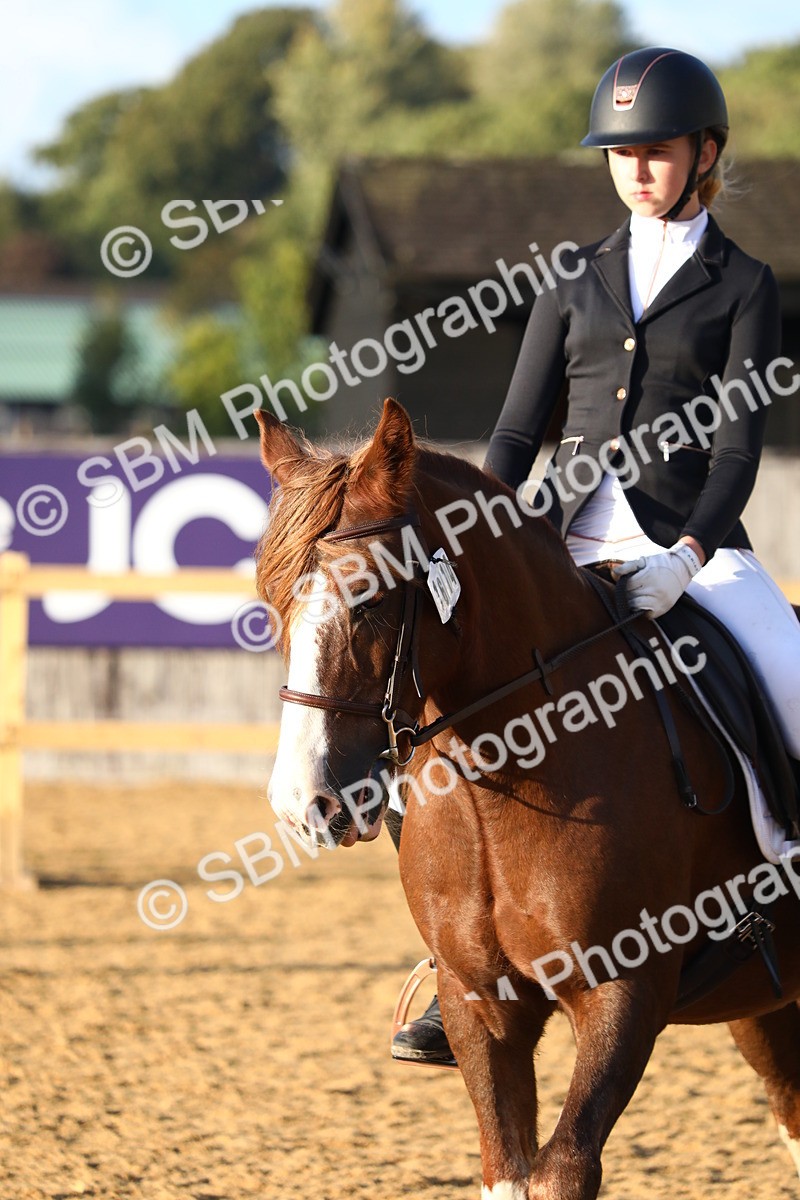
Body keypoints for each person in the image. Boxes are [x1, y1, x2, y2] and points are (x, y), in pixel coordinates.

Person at [390, 45, 800, 1068]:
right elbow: (514, 436)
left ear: (703, 154)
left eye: (655, 152)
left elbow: (738, 449)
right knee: (446, 712)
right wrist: (480, 536)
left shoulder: (740, 285)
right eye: (620, 154)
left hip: (690, 549)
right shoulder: (570, 277)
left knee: (790, 678)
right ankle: (452, 970)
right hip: (560, 541)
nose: (636, 169)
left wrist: (690, 550)